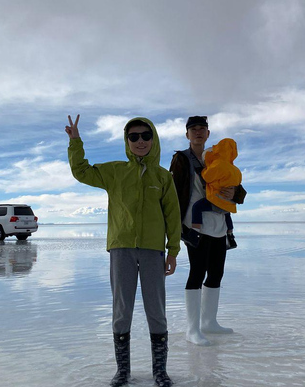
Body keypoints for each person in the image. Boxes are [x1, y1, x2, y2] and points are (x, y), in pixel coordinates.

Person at [66, 114, 181, 387]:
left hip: (153, 250)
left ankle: (160, 372)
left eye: (145, 136)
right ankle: (122, 372)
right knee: (122, 310)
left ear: (154, 139)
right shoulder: (115, 171)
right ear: (127, 142)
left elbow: (172, 215)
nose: (140, 141)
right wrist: (75, 142)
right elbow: (81, 172)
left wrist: (173, 251)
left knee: (156, 309)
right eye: (134, 137)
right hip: (121, 248)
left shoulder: (163, 177)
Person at [169, 116, 246, 346]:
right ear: (187, 135)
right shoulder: (181, 159)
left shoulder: (219, 156)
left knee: (216, 273)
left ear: (208, 133)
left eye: (202, 129)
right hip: (195, 226)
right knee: (197, 272)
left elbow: (236, 186)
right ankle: (192, 329)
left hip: (220, 225)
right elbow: (172, 191)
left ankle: (209, 322)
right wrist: (174, 226)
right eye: (193, 129)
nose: (198, 132)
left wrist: (236, 195)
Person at [189, 138, 241, 249]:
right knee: (227, 214)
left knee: (197, 207)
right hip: (228, 204)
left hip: (216, 199)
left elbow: (207, 177)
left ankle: (194, 233)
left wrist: (204, 170)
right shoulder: (235, 169)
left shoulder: (217, 164)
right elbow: (238, 184)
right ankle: (230, 235)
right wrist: (235, 192)